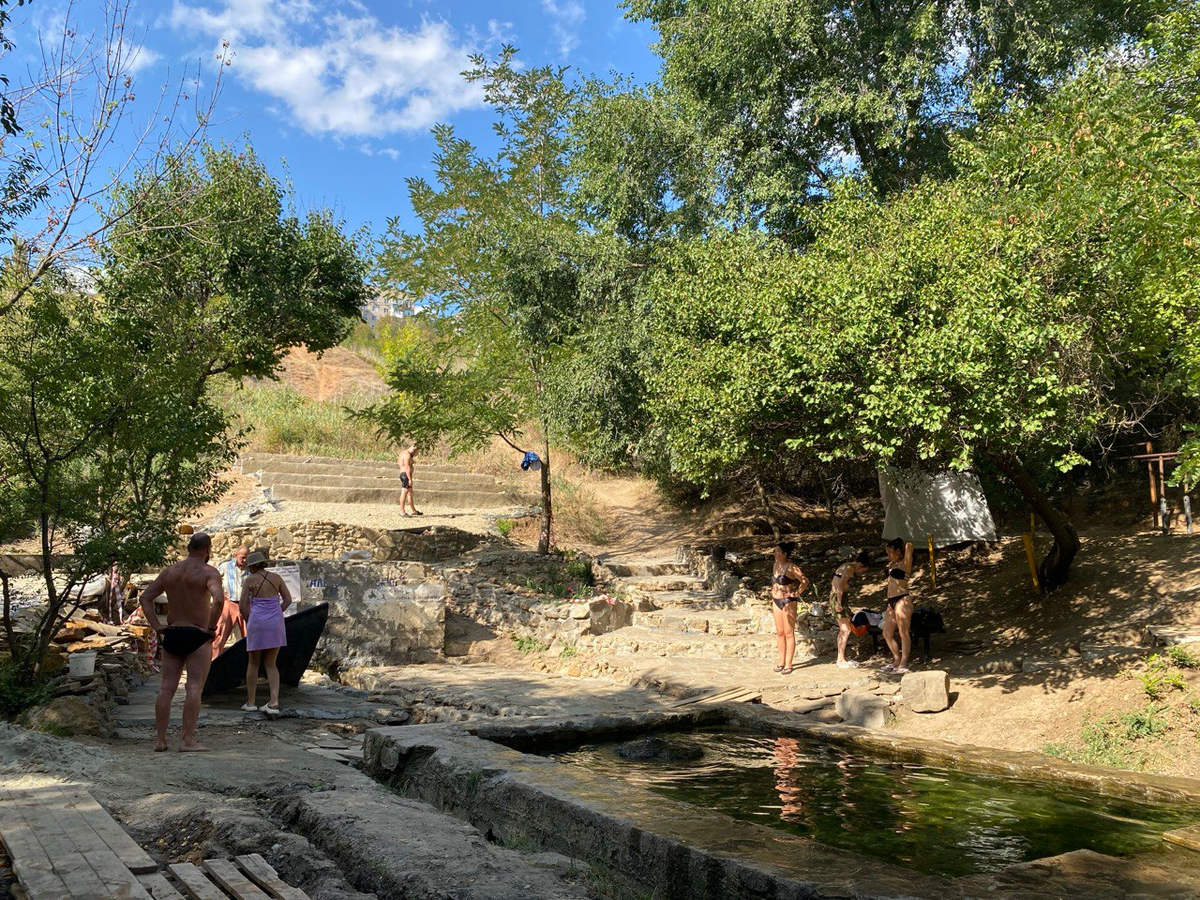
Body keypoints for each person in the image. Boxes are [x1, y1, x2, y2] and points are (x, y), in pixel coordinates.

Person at [138, 533, 223, 752]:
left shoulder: (170, 572)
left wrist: (157, 626)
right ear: (207, 548)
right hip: (197, 633)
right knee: (194, 687)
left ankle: (160, 740)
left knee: (166, 688)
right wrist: (211, 628)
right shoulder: (209, 572)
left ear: (189, 548)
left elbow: (145, 598)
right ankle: (186, 740)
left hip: (173, 632)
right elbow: (219, 600)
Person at [239, 549, 292, 716]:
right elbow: (288, 600)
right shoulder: (277, 578)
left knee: (253, 663)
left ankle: (251, 702)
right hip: (275, 623)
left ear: (252, 566)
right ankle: (274, 702)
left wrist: (250, 621)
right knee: (271, 663)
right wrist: (276, 613)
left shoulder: (249, 580)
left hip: (257, 622)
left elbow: (242, 606)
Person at [769, 541, 809, 675]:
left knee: (788, 632)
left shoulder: (792, 567)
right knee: (780, 632)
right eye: (774, 551)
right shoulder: (775, 565)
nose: (774, 553)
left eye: (777, 551)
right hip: (776, 600)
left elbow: (804, 581)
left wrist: (796, 593)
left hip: (788, 601)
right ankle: (781, 661)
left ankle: (789, 663)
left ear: (784, 554)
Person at [830, 550, 871, 669]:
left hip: (840, 597)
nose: (862, 573)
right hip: (838, 598)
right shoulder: (849, 569)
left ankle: (840, 658)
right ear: (860, 565)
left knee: (844, 629)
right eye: (864, 570)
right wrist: (839, 602)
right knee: (846, 630)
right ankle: (840, 660)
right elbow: (840, 586)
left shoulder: (847, 566)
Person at [880, 537, 915, 675]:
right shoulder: (893, 565)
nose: (888, 555)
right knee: (886, 632)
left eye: (890, 552)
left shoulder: (905, 563)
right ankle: (896, 659)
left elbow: (909, 545)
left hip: (902, 599)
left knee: (903, 632)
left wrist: (902, 531)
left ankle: (904, 663)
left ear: (898, 551)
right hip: (891, 601)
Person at [211, 545, 248, 658]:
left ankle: (251, 663)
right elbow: (213, 579)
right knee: (220, 633)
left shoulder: (251, 568)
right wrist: (218, 593)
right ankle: (214, 662)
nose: (245, 560)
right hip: (229, 604)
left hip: (246, 604)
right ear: (236, 555)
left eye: (247, 557)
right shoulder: (225, 567)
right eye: (242, 557)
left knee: (250, 635)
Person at [397, 444, 422, 516]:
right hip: (405, 475)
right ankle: (402, 511)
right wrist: (410, 479)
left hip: (406, 475)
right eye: (417, 452)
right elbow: (407, 467)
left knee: (410, 493)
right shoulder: (407, 455)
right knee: (404, 492)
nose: (416, 454)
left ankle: (414, 510)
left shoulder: (404, 453)